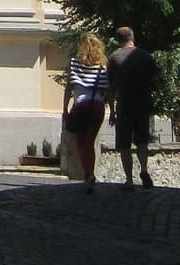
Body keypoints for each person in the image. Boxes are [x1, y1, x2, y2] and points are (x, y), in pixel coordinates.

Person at [63, 33, 113, 193]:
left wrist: (64, 109)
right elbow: (108, 91)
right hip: (97, 106)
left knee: (80, 142)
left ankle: (88, 175)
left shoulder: (74, 63)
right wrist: (112, 111)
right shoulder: (102, 67)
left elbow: (69, 88)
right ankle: (90, 174)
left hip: (81, 104)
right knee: (90, 142)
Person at [108, 25, 156, 189]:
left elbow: (109, 87)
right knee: (142, 142)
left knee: (124, 145)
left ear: (118, 40)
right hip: (142, 105)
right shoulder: (145, 57)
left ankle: (129, 180)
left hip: (124, 107)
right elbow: (154, 80)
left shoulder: (114, 58)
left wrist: (112, 111)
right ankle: (144, 169)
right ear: (132, 38)